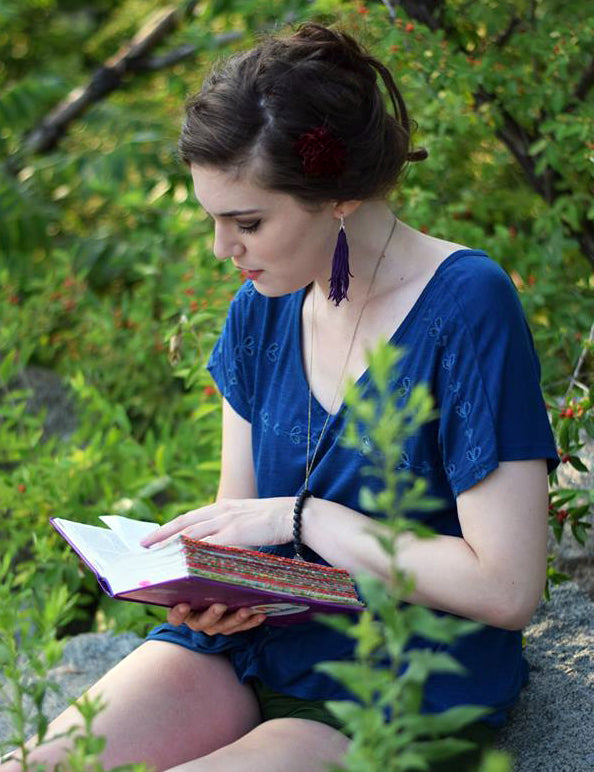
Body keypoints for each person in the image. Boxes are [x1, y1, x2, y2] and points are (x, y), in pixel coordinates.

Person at [3, 22, 559, 772]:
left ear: (339, 196)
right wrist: (215, 589)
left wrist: (307, 518)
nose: (220, 249)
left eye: (248, 222)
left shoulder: (466, 307)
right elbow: (244, 523)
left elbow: (507, 586)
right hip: (248, 644)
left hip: (393, 678)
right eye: (212, 219)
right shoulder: (260, 311)